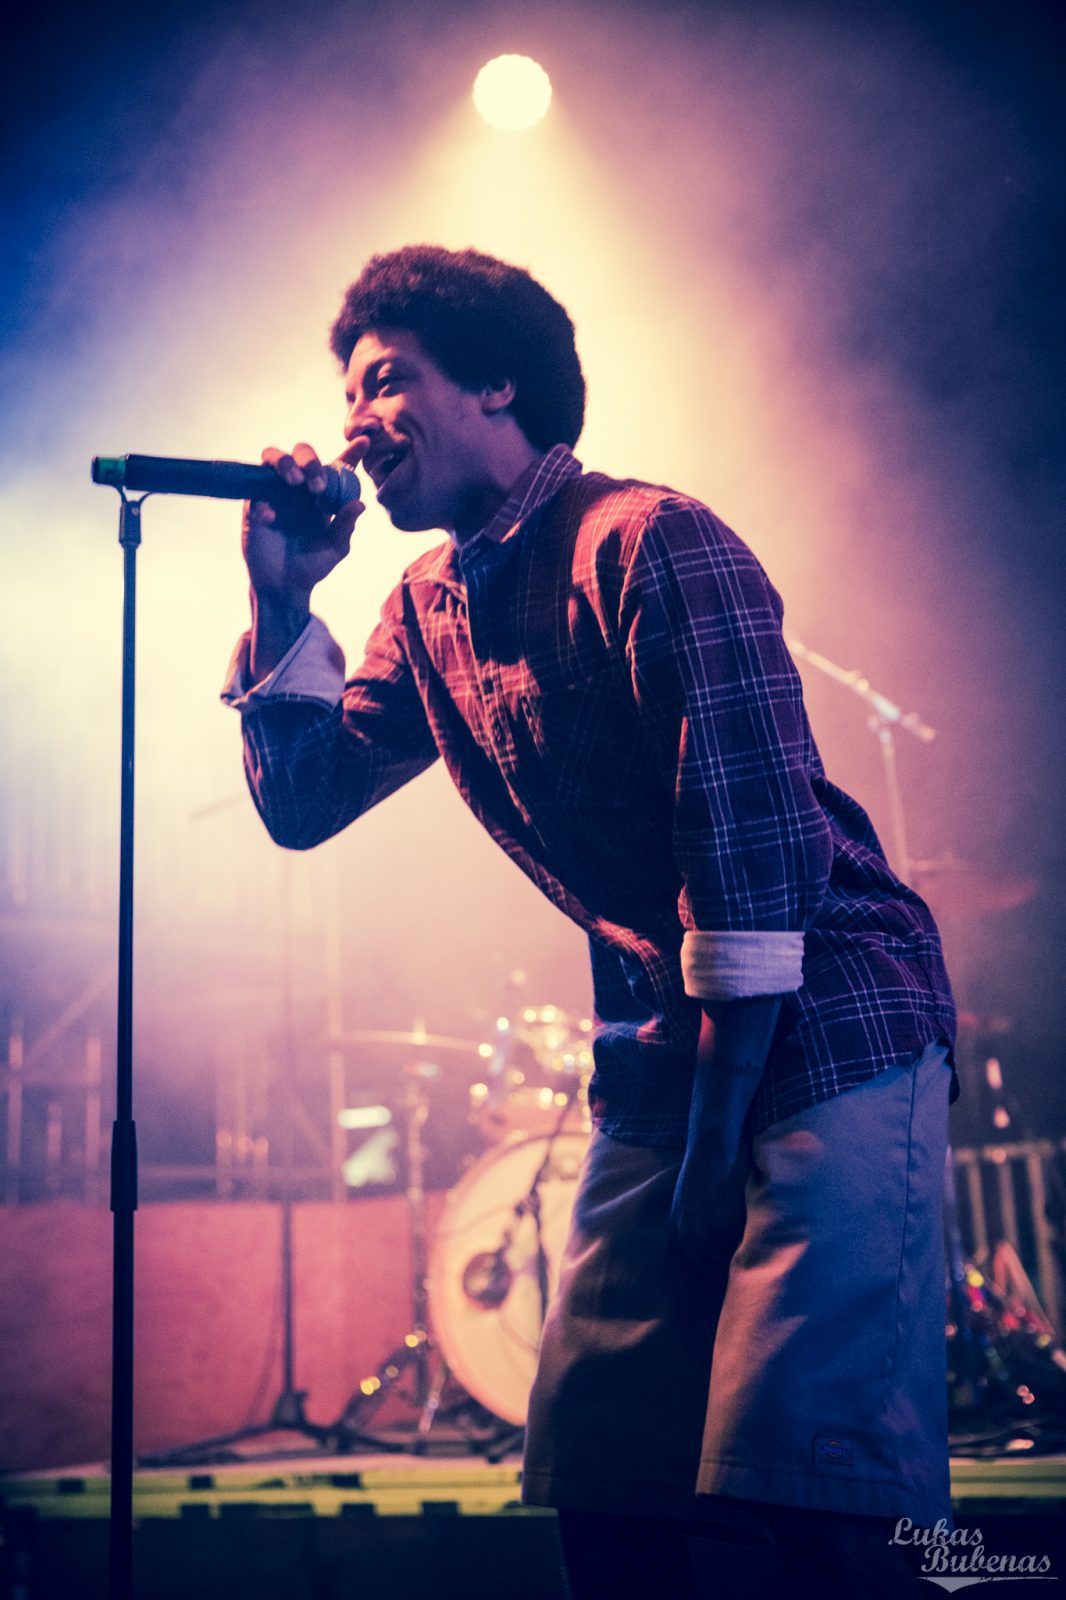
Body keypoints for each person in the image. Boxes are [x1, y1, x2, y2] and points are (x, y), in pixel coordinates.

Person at [222, 244, 956, 1595]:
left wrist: (715, 1145)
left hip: (828, 1021)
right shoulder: (426, 605)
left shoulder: (652, 540)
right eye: (347, 398)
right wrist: (282, 596)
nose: (354, 425)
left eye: (385, 382)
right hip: (666, 1048)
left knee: (815, 1479)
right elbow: (307, 801)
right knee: (602, 1473)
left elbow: (747, 857)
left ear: (496, 382)